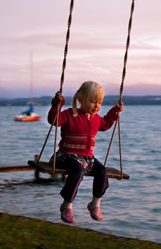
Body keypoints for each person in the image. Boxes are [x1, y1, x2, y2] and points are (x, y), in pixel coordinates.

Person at [48, 81, 124, 224]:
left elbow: (105, 124)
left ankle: (95, 204)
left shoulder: (95, 119)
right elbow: (54, 120)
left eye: (100, 102)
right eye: (93, 102)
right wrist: (56, 104)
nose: (97, 106)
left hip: (87, 158)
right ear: (81, 100)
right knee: (77, 170)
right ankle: (67, 205)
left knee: (102, 171)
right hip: (66, 155)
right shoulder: (70, 115)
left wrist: (114, 112)